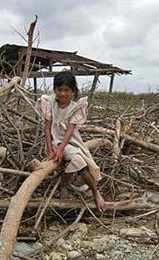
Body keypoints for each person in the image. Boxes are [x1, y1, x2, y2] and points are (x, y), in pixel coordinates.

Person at [35, 71, 106, 212]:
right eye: (59, 90)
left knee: (81, 161)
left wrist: (61, 149)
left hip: (71, 140)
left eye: (66, 90)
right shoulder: (49, 103)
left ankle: (94, 192)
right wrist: (50, 150)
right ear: (55, 89)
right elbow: (47, 128)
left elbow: (69, 131)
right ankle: (68, 187)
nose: (62, 93)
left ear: (72, 91)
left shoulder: (76, 107)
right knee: (79, 160)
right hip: (55, 140)